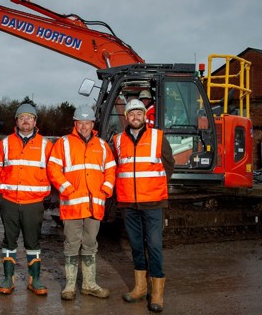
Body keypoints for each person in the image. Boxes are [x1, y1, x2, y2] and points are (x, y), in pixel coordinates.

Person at [47, 105, 116, 301]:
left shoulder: (102, 146)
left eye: (87, 123)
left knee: (90, 244)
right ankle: (69, 286)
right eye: (80, 122)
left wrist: (106, 188)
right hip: (72, 205)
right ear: (75, 123)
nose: (84, 126)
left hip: (94, 205)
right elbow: (53, 168)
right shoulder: (63, 143)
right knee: (71, 244)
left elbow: (111, 169)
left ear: (92, 124)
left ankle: (89, 284)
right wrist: (66, 188)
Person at [113, 99, 175, 312]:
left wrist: (156, 186)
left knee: (155, 246)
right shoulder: (118, 140)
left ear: (144, 116)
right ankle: (140, 287)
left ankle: (156, 292)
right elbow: (117, 169)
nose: (135, 117)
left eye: (139, 113)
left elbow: (169, 163)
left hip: (153, 201)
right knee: (137, 245)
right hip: (128, 202)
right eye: (131, 114)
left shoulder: (157, 137)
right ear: (127, 117)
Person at [0, 103, 53, 296]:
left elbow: (54, 169)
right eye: (22, 117)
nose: (26, 121)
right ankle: (8, 279)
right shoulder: (5, 143)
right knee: (9, 240)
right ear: (16, 121)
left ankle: (35, 280)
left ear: (35, 122)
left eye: (29, 117)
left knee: (32, 242)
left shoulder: (46, 145)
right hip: (9, 201)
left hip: (33, 203)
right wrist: (5, 182)